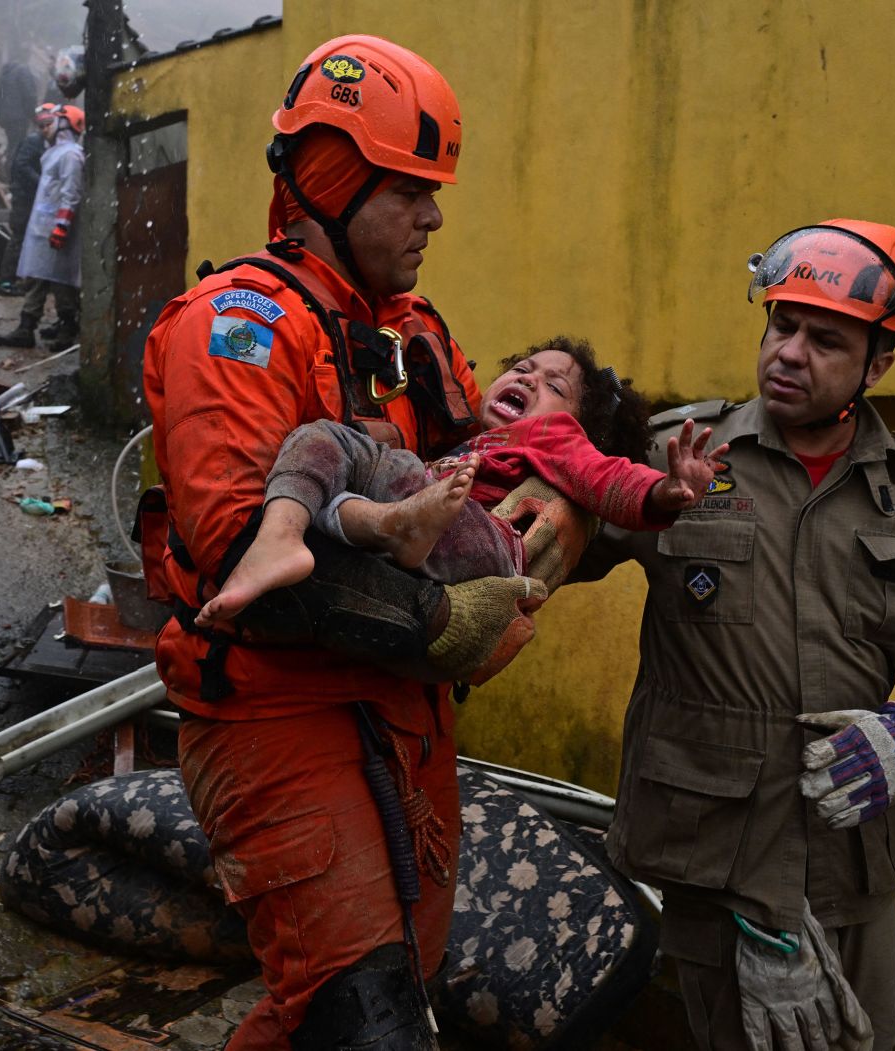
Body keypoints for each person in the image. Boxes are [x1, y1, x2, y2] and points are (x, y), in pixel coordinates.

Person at [142, 34, 554, 1050]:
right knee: (362, 1020)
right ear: (330, 178)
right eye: (409, 188)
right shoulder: (235, 326)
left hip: (404, 716)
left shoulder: (412, 333)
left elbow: (483, 478)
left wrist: (570, 495)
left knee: (358, 1001)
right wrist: (448, 621)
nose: (434, 215)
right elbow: (251, 564)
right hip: (280, 716)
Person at [576, 220, 895, 1051]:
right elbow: (533, 551)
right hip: (715, 868)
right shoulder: (678, 452)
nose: (789, 352)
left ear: (877, 364)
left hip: (854, 867)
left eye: (825, 339)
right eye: (782, 325)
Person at [198, 336, 725, 626]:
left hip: (485, 544)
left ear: (578, 424)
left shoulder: (553, 434)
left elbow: (608, 479)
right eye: (522, 367)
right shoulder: (471, 447)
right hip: (430, 534)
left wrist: (664, 493)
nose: (527, 377)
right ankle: (298, 536)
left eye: (552, 383)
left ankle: (382, 524)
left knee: (384, 465)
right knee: (327, 451)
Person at [0, 103, 84, 350]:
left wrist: (62, 225)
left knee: (62, 281)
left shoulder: (70, 155)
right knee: (37, 277)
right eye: (41, 125)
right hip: (44, 227)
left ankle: (67, 329)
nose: (44, 129)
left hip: (57, 228)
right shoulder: (55, 153)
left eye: (48, 124)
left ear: (65, 125)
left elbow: (71, 193)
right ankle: (26, 328)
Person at [0, 112, 45, 295]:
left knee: (25, 238)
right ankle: (6, 282)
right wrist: (42, 182)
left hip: (29, 197)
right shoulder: (34, 141)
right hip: (24, 199)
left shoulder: (40, 142)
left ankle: (20, 279)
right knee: (19, 237)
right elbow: (22, 166)